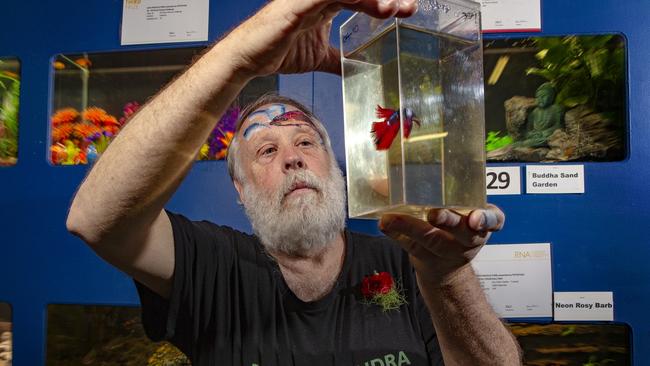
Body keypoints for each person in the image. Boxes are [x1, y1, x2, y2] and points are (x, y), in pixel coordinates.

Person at [66, 0, 521, 365]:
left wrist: (447, 275)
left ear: (336, 167)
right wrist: (239, 58)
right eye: (266, 150)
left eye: (306, 141)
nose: (292, 159)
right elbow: (96, 221)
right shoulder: (214, 267)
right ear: (240, 191)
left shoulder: (409, 261)